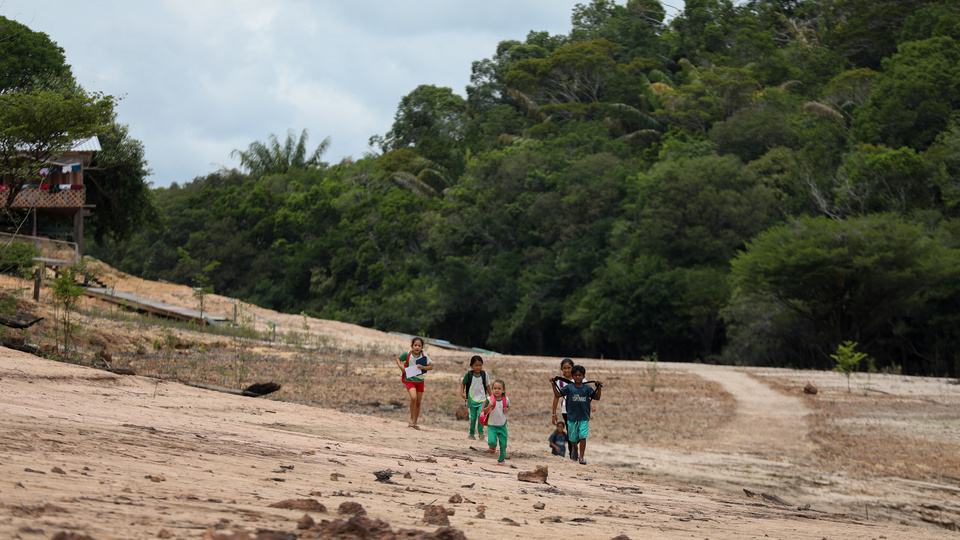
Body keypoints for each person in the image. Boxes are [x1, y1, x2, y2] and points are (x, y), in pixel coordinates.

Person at [552, 364, 602, 465]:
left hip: (583, 417)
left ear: (583, 376)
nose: (577, 377)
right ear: (573, 376)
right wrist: (553, 384)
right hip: (571, 417)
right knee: (573, 438)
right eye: (575, 375)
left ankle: (581, 457)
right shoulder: (569, 388)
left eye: (580, 375)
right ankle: (575, 448)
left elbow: (597, 397)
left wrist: (599, 387)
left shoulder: (587, 389)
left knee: (583, 436)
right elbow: (557, 395)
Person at [395, 336, 433, 430]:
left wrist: (422, 367)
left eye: (419, 345)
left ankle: (415, 422)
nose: (417, 347)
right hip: (410, 380)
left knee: (418, 403)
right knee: (413, 398)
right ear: (412, 346)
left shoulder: (424, 356)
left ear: (422, 347)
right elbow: (398, 358)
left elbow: (430, 367)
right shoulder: (408, 354)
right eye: (415, 345)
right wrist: (401, 367)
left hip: (420, 381)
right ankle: (411, 419)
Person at [460, 355, 491, 440]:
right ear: (472, 366)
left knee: (481, 416)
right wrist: (462, 393)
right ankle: (471, 434)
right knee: (473, 418)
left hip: (482, 400)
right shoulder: (469, 375)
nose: (478, 367)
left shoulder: (484, 375)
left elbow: (488, 386)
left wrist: (492, 397)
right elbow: (463, 383)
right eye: (476, 365)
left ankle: (481, 434)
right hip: (471, 400)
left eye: (480, 365)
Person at [482, 379, 511, 465]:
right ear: (492, 389)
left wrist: (507, 409)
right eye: (495, 388)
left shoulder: (506, 399)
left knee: (503, 444)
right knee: (491, 442)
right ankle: (492, 446)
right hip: (492, 425)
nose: (497, 390)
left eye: (499, 388)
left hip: (502, 425)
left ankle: (501, 460)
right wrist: (489, 406)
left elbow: (509, 407)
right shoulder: (489, 399)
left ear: (503, 390)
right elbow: (485, 411)